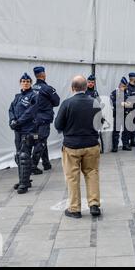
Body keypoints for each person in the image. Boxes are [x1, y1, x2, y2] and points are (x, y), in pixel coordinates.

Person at [54, 75, 103, 219]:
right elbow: (100, 124)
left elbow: (58, 125)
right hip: (91, 144)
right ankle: (94, 204)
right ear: (86, 87)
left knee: (72, 177)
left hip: (71, 146)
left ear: (72, 88)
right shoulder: (94, 102)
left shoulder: (67, 103)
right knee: (92, 173)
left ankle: (75, 209)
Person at [9, 73, 39, 194]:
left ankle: (24, 184)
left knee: (24, 156)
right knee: (18, 156)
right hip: (18, 130)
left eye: (27, 81)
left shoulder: (34, 96)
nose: (25, 83)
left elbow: (31, 112)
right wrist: (11, 120)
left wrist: (19, 122)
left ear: (31, 83)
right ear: (20, 83)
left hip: (28, 130)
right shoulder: (17, 97)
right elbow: (10, 109)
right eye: (23, 81)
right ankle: (23, 180)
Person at [31, 66, 60, 174]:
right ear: (43, 74)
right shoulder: (46, 88)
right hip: (44, 119)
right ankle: (33, 165)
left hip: (34, 120)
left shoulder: (32, 88)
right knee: (41, 141)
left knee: (41, 140)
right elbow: (56, 101)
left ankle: (46, 163)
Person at [110, 77, 130, 152]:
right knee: (116, 131)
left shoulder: (127, 92)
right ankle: (115, 146)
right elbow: (112, 102)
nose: (123, 87)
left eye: (125, 86)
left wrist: (129, 104)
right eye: (122, 85)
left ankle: (125, 145)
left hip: (126, 113)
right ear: (119, 84)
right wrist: (121, 103)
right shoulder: (115, 92)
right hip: (118, 114)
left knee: (126, 130)